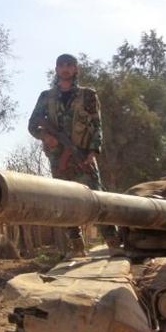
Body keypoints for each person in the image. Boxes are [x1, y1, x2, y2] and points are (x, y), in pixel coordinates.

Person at [27, 53, 121, 257]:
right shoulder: (46, 97)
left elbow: (97, 126)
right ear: (56, 69)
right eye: (61, 65)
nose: (65, 68)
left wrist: (93, 152)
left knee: (97, 197)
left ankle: (113, 242)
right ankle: (76, 246)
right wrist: (46, 136)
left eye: (70, 65)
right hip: (57, 159)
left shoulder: (88, 95)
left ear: (76, 69)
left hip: (83, 156)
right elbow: (33, 125)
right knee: (65, 200)